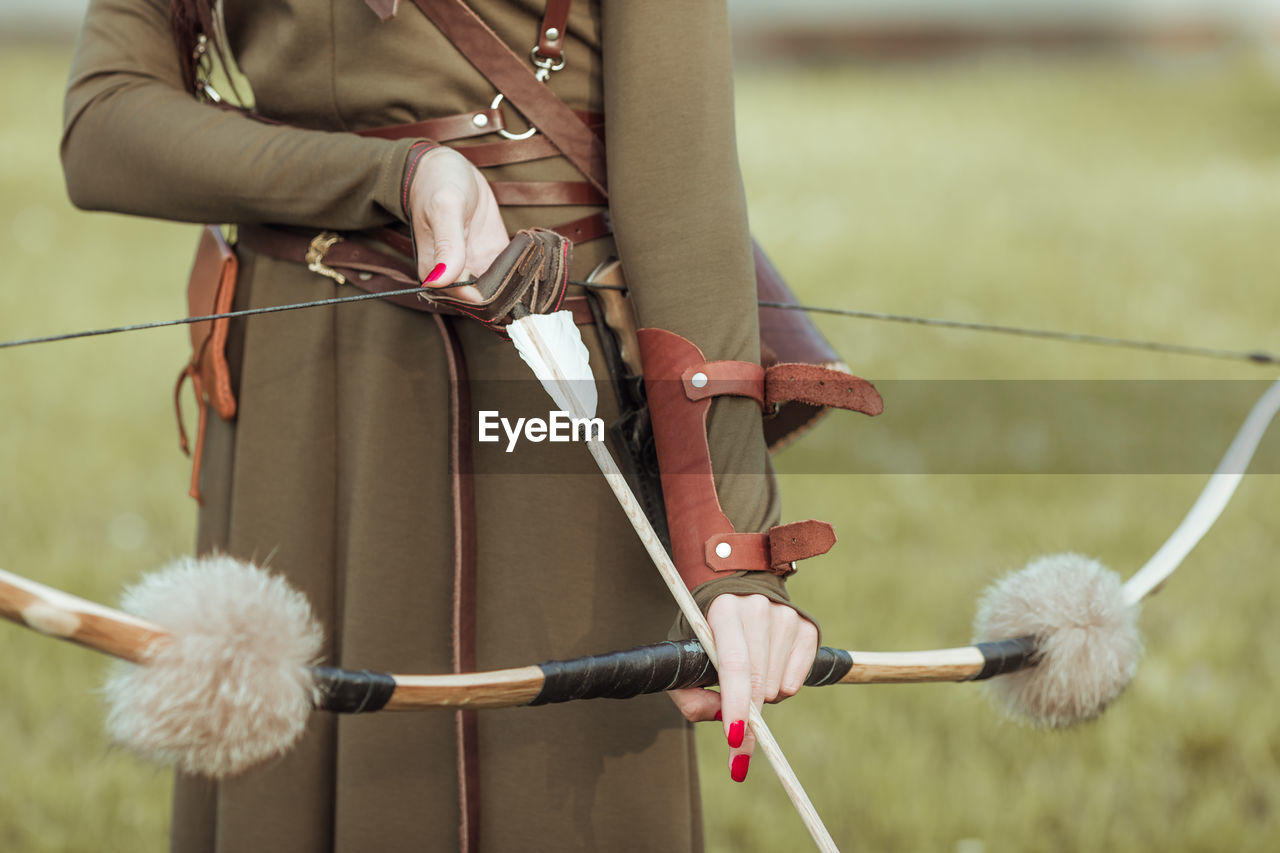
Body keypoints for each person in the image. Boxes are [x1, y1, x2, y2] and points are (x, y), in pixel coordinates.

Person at [62, 1, 823, 850]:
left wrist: (733, 556)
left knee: (548, 793)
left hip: (533, 367)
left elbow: (681, 191)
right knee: (280, 785)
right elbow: (103, 126)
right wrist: (397, 174)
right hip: (292, 384)